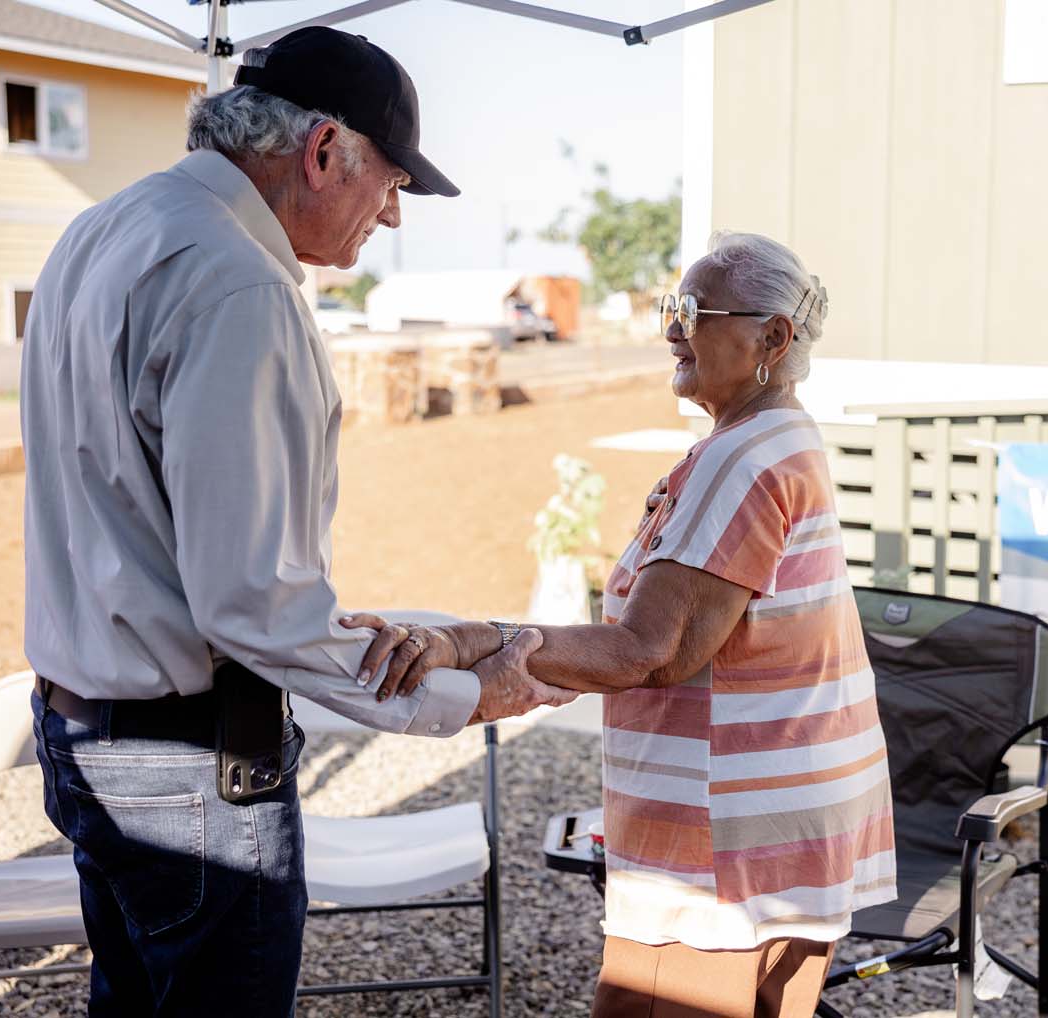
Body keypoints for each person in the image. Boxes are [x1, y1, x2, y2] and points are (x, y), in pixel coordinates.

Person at [21, 27, 571, 1018]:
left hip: (78, 727)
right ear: (324, 151)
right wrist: (461, 690)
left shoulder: (99, 230)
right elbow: (256, 606)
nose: (392, 217)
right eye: (392, 182)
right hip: (189, 766)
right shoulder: (239, 283)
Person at [354, 232, 897, 1018]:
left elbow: (654, 650)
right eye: (668, 306)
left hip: (727, 846)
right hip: (782, 819)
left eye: (690, 311)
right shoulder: (774, 437)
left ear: (771, 337)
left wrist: (482, 643)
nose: (670, 329)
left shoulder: (741, 461)